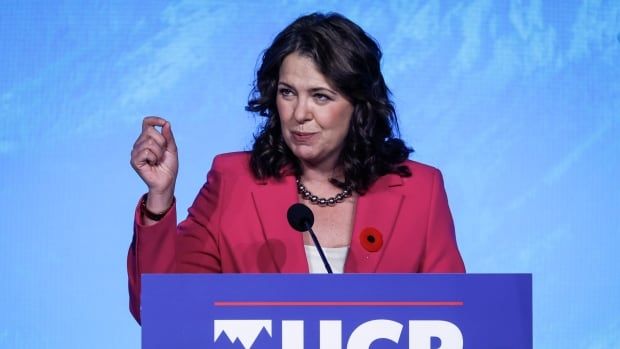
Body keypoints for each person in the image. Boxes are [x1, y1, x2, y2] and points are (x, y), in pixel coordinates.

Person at [127, 12, 465, 323]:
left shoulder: (421, 190)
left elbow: (455, 320)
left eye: (320, 96)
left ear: (359, 106)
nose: (299, 113)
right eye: (288, 93)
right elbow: (162, 312)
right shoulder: (233, 182)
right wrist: (159, 198)